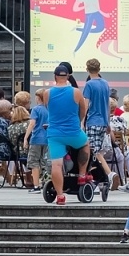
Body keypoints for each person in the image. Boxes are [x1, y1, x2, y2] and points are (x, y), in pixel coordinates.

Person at [45, 61, 92, 206]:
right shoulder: (76, 92)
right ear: (68, 76)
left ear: (55, 77)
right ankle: (82, 175)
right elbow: (83, 109)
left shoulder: (47, 93)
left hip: (54, 133)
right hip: (73, 130)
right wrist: (79, 120)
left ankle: (60, 196)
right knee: (85, 144)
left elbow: (49, 108)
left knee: (56, 165)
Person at [82, 58, 112, 161]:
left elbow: (85, 105)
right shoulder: (105, 83)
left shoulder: (89, 84)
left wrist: (81, 121)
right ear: (99, 69)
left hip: (93, 121)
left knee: (91, 152)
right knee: (98, 151)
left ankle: (97, 174)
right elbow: (108, 105)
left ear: (87, 69)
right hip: (103, 122)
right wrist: (108, 122)